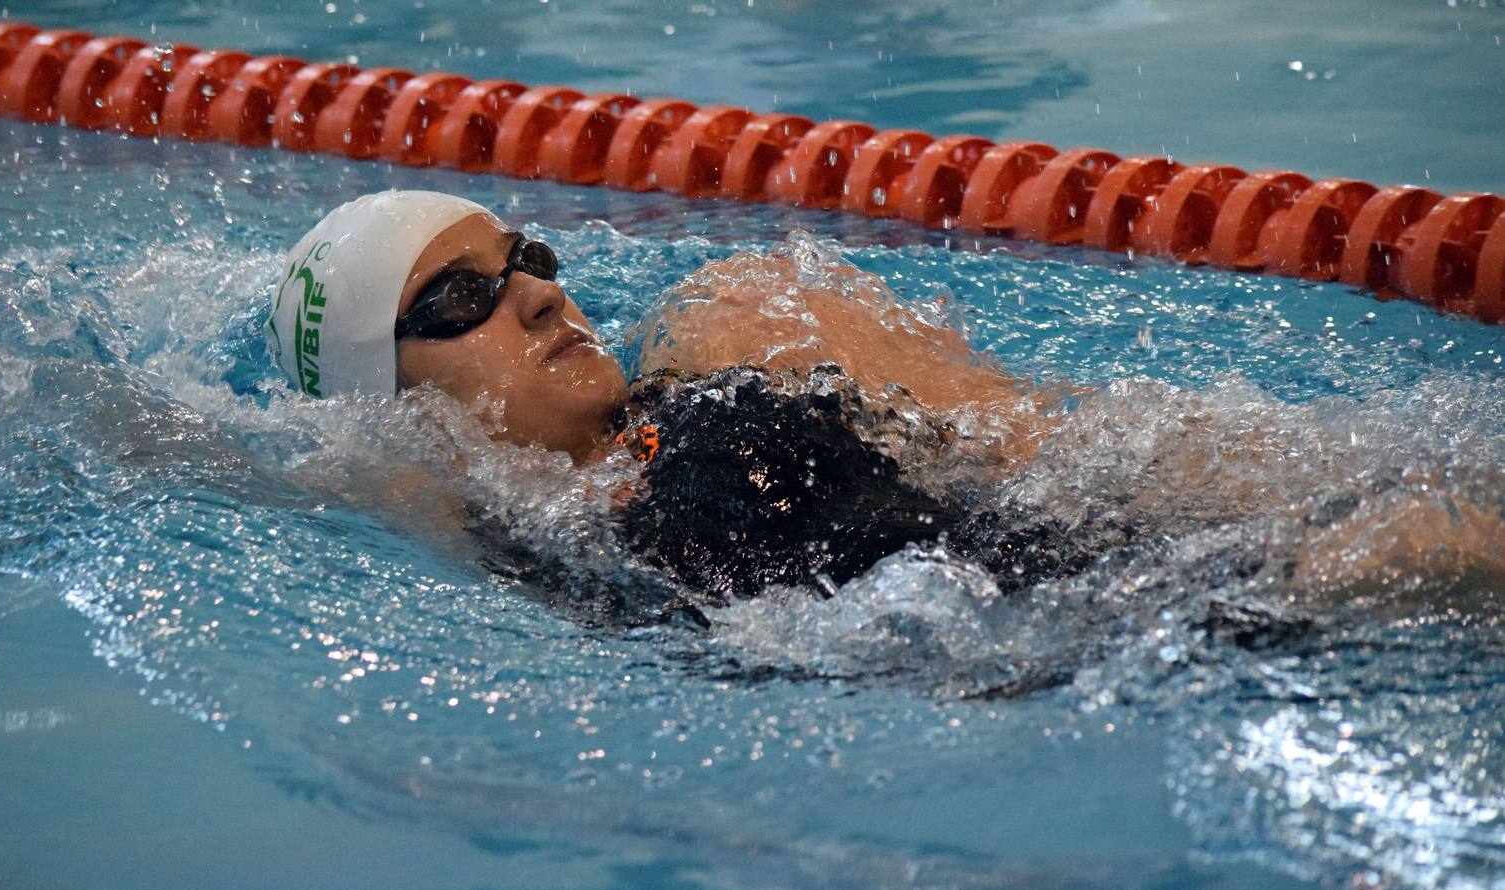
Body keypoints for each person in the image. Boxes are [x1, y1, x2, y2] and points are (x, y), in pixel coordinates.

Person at [266, 190, 1505, 625]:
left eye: (528, 257)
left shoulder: (739, 341)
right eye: (460, 300)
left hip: (1145, 586)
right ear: (384, 399)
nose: (537, 295)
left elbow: (1072, 449)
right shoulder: (479, 524)